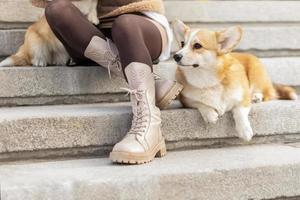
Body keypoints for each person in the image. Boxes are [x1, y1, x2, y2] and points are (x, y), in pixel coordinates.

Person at [30, 0, 182, 164]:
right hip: (97, 32)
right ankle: (149, 83)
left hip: (142, 27)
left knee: (124, 23)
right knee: (56, 10)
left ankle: (149, 123)